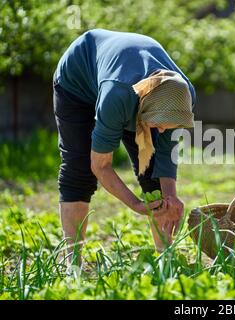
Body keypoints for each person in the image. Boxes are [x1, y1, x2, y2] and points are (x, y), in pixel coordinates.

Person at [53, 29, 196, 265]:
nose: (162, 131)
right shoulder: (117, 97)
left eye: (166, 126)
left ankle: (165, 260)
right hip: (77, 81)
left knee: (152, 173)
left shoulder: (182, 94)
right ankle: (72, 264)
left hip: (132, 87)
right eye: (158, 125)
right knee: (79, 171)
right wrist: (136, 205)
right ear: (142, 111)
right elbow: (101, 165)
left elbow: (164, 150)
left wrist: (170, 197)